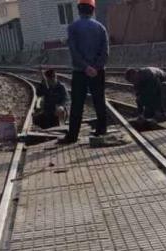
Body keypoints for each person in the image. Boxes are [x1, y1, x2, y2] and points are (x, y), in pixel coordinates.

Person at [60, 0, 109, 145]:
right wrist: (95, 67)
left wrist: (85, 67)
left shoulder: (73, 28)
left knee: (77, 104)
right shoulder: (101, 28)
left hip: (80, 72)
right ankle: (101, 130)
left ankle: (72, 136)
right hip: (98, 72)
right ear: (93, 10)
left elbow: (74, 51)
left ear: (79, 10)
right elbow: (105, 53)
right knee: (99, 101)